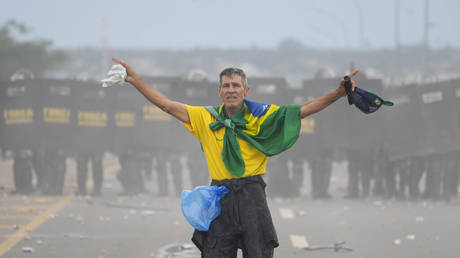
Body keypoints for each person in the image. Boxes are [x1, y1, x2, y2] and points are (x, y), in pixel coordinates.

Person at [112, 57, 358, 258]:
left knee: (259, 253)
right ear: (219, 91)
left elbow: (303, 110)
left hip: (252, 196)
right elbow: (166, 105)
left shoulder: (261, 115)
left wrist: (337, 94)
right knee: (214, 254)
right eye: (226, 86)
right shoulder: (206, 117)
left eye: (236, 85)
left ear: (245, 90)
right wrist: (135, 81)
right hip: (220, 198)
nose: (231, 90)